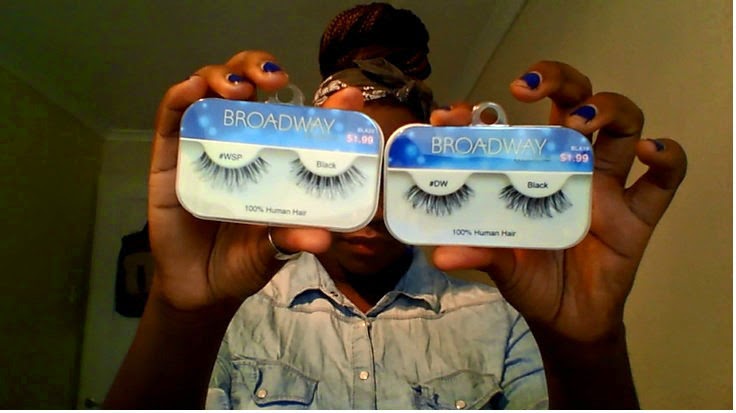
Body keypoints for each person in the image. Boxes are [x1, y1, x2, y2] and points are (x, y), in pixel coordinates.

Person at [104, 2, 687, 409]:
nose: (376, 211)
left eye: (401, 175)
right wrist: (180, 313)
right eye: (347, 172)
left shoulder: (503, 321)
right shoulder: (237, 319)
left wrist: (587, 350)